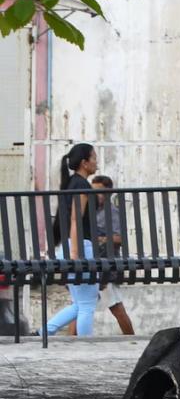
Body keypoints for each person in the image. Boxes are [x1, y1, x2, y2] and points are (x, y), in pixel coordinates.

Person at [41, 143, 100, 337]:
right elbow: (76, 218)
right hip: (80, 246)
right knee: (87, 305)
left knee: (80, 303)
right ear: (84, 163)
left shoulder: (72, 183)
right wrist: (76, 254)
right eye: (93, 158)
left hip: (70, 245)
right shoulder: (81, 185)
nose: (96, 162)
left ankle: (44, 332)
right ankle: (86, 347)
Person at [67, 175, 135, 336]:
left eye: (100, 192)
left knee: (115, 307)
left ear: (108, 193)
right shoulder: (89, 211)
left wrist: (101, 239)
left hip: (105, 264)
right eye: (93, 191)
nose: (96, 195)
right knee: (79, 304)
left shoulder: (112, 212)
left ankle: (132, 339)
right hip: (90, 262)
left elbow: (120, 238)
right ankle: (70, 340)